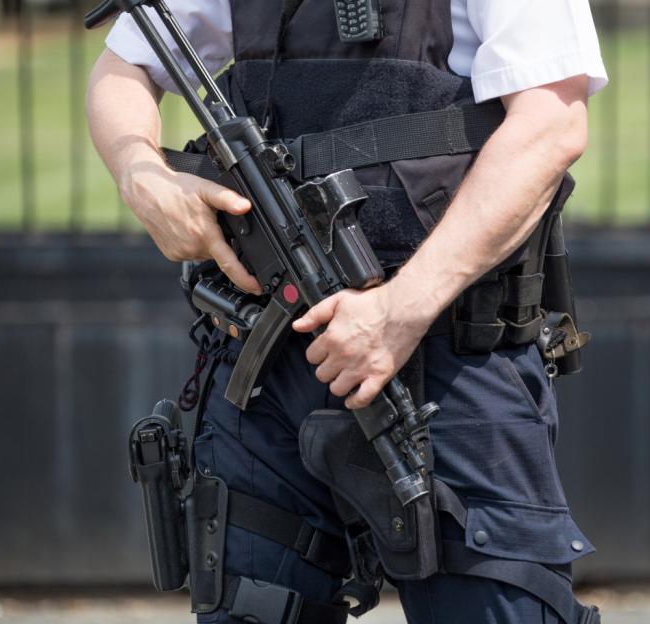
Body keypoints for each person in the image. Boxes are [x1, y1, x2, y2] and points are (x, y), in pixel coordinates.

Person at [86, 1, 608, 622]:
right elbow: (125, 64)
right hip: (266, 366)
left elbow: (550, 123)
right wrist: (140, 172)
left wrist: (400, 309)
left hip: (446, 365)